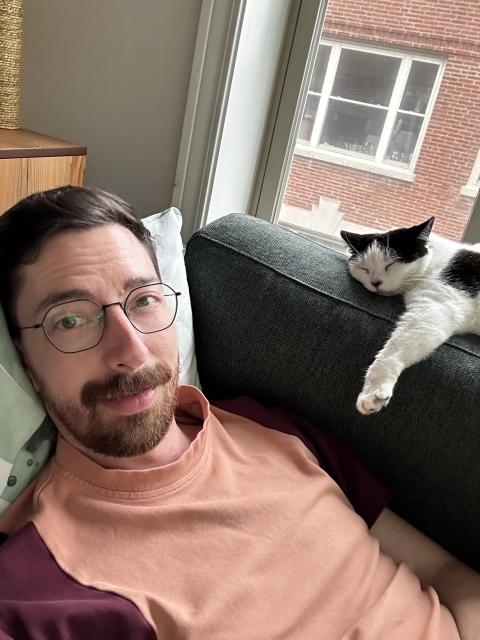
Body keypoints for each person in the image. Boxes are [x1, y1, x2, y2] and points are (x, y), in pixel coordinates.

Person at [0, 186, 478, 640]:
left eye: (143, 300)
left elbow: (447, 574)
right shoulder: (34, 591)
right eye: (70, 320)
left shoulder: (268, 426)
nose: (133, 350)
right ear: (25, 360)